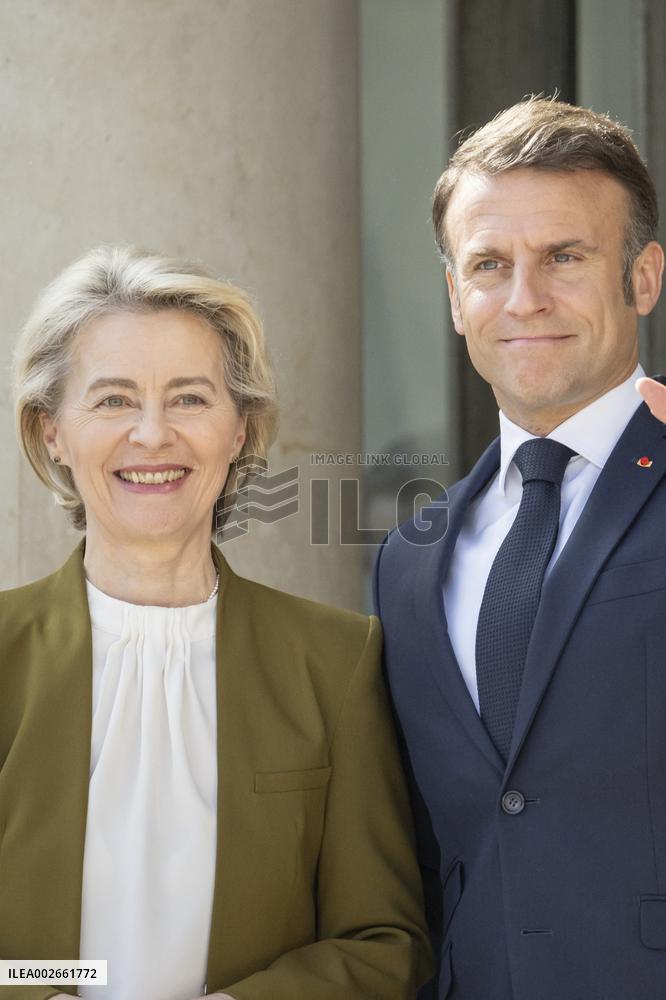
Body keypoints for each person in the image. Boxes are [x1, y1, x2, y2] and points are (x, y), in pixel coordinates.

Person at [1, 245, 432, 1000]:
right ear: (51, 433)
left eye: (190, 398)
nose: (153, 434)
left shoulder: (335, 662)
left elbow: (384, 943)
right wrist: (60, 987)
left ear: (239, 431)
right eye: (112, 400)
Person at [374, 97, 666, 1000]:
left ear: (643, 278)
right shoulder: (409, 561)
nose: (524, 297)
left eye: (564, 258)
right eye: (490, 265)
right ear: (457, 299)